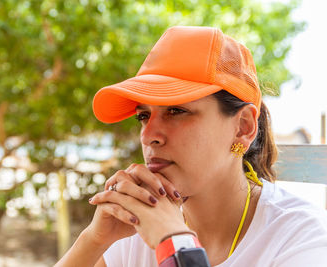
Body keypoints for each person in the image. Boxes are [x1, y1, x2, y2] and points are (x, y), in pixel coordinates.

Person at [54, 26, 327, 267]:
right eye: (143, 116)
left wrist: (175, 245)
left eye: (176, 111)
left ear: (243, 127)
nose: (149, 135)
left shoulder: (303, 237)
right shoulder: (134, 230)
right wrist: (93, 241)